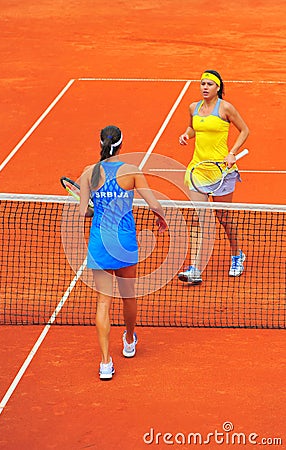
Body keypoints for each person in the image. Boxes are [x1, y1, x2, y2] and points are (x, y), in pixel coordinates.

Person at [80, 125, 167, 380]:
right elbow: (154, 203)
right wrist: (161, 218)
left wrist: (98, 209)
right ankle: (129, 340)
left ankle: (105, 363)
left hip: (99, 242)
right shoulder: (131, 172)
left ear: (100, 143)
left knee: (103, 302)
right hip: (125, 241)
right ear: (121, 145)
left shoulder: (88, 173)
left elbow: (83, 211)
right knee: (129, 296)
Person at [178, 70, 249, 284]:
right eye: (202, 83)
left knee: (224, 218)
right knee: (198, 219)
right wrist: (186, 135)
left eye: (209, 84)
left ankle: (237, 255)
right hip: (198, 170)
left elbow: (244, 130)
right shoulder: (193, 108)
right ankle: (195, 269)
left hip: (222, 173)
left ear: (218, 87)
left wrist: (232, 153)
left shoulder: (226, 108)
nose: (205, 87)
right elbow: (193, 128)